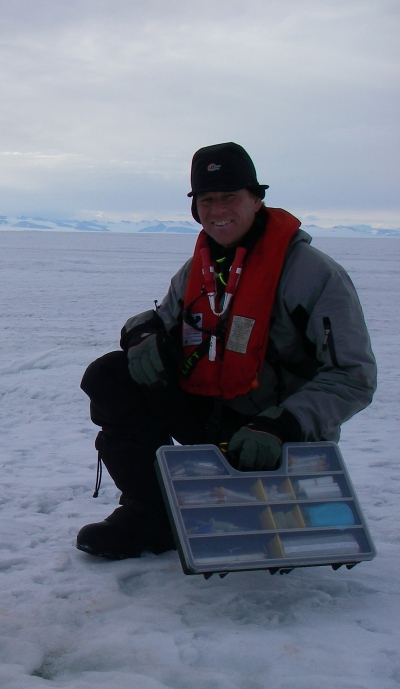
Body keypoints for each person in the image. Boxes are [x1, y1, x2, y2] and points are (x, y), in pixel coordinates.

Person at [77, 142, 376, 560]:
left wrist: (282, 425)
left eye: (230, 197)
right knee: (110, 375)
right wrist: (141, 334)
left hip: (277, 435)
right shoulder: (198, 269)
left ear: (256, 199)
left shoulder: (312, 274)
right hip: (212, 414)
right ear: (196, 209)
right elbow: (163, 319)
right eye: (207, 199)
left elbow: (353, 376)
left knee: (261, 515)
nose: (218, 210)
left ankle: (259, 498)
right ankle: (153, 512)